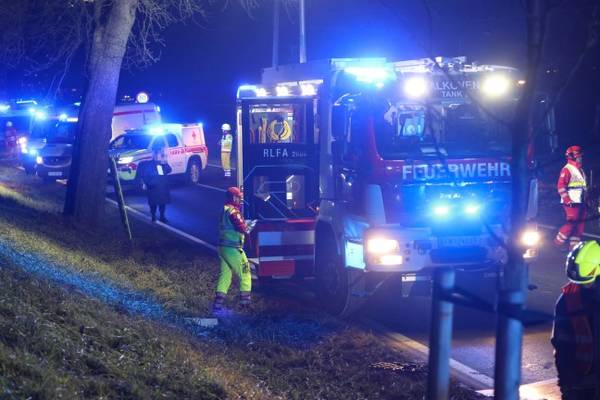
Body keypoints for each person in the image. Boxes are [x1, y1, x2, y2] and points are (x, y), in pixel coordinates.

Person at [551, 240, 600, 399]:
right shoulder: (568, 300)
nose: (584, 287)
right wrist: (566, 382)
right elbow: (561, 345)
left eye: (588, 283)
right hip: (581, 383)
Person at [213, 186, 256, 316]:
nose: (240, 200)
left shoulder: (224, 209)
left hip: (223, 248)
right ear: (233, 197)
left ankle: (217, 307)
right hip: (233, 249)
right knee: (245, 274)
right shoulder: (234, 212)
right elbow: (242, 228)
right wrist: (250, 225)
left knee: (225, 276)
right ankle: (245, 306)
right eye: (238, 197)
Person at [555, 146, 587, 251]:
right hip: (572, 203)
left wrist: (586, 201)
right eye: (578, 156)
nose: (580, 158)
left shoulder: (580, 170)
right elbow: (560, 186)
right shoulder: (567, 169)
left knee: (579, 227)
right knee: (571, 224)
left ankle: (573, 248)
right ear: (572, 157)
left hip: (581, 202)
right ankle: (557, 243)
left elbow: (583, 187)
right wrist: (567, 200)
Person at [140, 142, 172, 223]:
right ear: (154, 154)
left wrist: (165, 163)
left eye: (160, 154)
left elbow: (169, 170)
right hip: (153, 188)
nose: (158, 156)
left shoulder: (162, 164)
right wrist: (145, 183)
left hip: (162, 187)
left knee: (162, 202)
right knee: (153, 204)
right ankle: (153, 216)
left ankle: (162, 216)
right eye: (157, 154)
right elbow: (145, 175)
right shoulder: (149, 164)